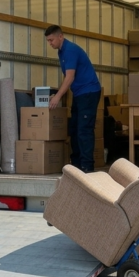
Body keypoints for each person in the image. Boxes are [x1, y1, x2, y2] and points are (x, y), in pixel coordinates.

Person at [45, 25, 102, 173]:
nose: (50, 43)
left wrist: (58, 97)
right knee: (75, 129)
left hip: (88, 92)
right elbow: (67, 76)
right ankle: (76, 164)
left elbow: (70, 77)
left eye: (51, 40)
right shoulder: (61, 51)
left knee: (84, 129)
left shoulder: (70, 50)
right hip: (79, 93)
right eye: (48, 41)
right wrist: (57, 93)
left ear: (60, 36)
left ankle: (87, 167)